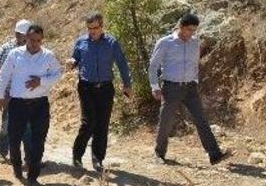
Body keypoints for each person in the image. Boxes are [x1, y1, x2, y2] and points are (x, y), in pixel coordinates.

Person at [148, 14, 229, 165]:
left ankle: (214, 154)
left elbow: (194, 64)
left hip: (190, 88)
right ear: (181, 27)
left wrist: (195, 81)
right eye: (189, 30)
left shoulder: (195, 43)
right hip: (171, 87)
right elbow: (153, 67)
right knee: (166, 121)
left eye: (194, 30)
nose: (192, 33)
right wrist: (155, 87)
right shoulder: (165, 43)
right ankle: (159, 154)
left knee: (201, 120)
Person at [0, 25, 61, 186]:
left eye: (38, 40)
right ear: (26, 38)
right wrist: (0, 96)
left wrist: (41, 81)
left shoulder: (48, 56)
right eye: (32, 40)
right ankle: (17, 167)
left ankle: (33, 176)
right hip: (18, 104)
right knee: (14, 139)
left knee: (38, 140)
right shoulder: (14, 54)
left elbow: (57, 74)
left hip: (40, 104)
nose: (35, 43)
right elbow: (4, 75)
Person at [65, 12, 132, 173]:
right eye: (89, 28)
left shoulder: (111, 43)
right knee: (89, 122)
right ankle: (77, 155)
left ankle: (97, 159)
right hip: (86, 87)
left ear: (102, 26)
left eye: (95, 28)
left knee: (102, 124)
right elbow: (75, 59)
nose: (92, 31)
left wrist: (127, 84)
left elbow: (122, 64)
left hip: (106, 88)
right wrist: (72, 63)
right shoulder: (81, 42)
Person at [0, 19, 33, 165]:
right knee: (7, 124)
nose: (20, 37)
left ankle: (29, 158)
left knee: (28, 128)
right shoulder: (5, 48)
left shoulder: (34, 49)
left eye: (23, 34)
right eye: (19, 34)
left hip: (28, 95)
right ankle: (2, 152)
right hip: (9, 94)